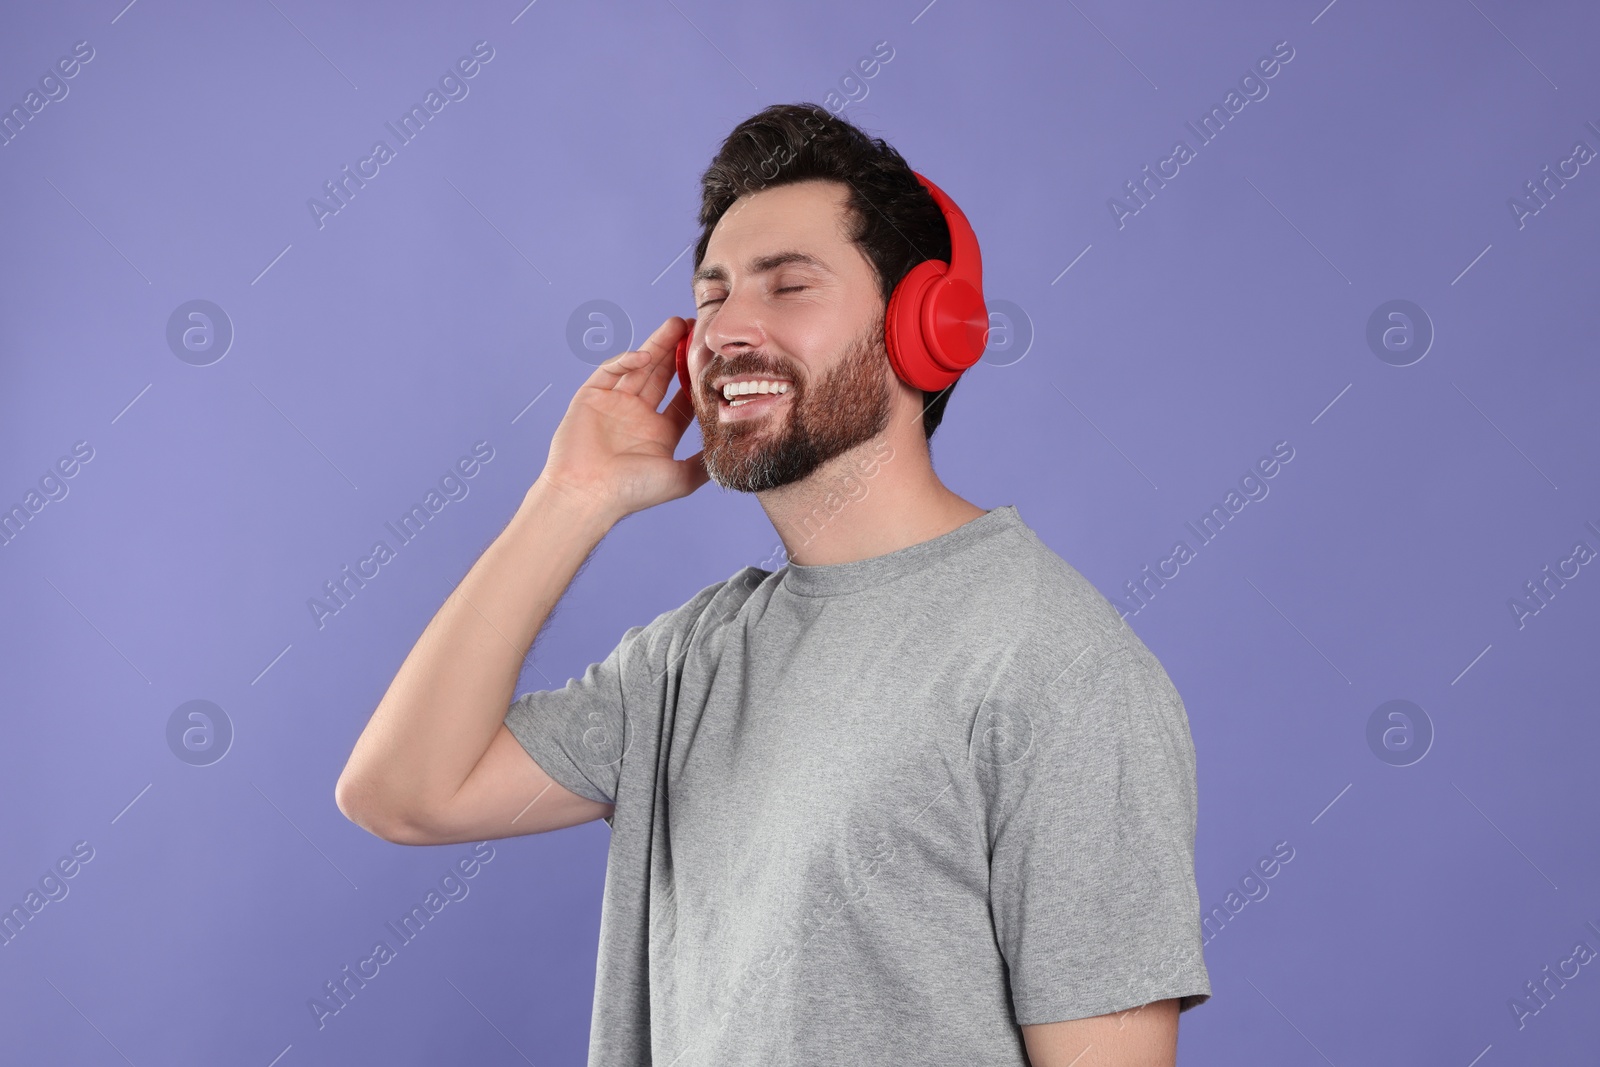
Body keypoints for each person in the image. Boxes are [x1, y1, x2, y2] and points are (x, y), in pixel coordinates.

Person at [336, 102, 1211, 1066]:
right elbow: (402, 792)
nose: (729, 330)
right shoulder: (686, 662)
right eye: (710, 297)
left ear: (930, 329)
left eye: (789, 285)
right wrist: (571, 497)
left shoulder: (1054, 665)